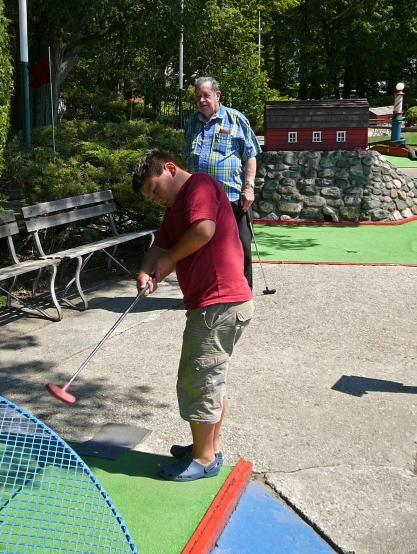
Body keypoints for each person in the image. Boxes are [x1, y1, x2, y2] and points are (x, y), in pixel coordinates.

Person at [132, 149, 254, 481]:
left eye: (155, 189)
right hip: (217, 304)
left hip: (219, 304)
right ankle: (208, 447)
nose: (156, 199)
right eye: (150, 197)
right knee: (210, 379)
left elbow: (203, 230)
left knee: (198, 379)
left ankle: (202, 458)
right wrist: (146, 270)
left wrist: (170, 261)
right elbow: (160, 246)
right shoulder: (175, 208)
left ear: (170, 169)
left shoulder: (198, 186)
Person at [183, 76, 262, 290]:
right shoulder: (191, 123)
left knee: (241, 246)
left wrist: (249, 187)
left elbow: (251, 155)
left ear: (217, 95)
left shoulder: (236, 119)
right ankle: (207, 290)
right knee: (202, 246)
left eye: (206, 95)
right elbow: (187, 158)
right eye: (198, 96)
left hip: (233, 196)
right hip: (200, 200)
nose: (202, 100)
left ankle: (244, 291)